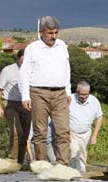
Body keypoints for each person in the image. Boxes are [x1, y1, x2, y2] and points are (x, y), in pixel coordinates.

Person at [19, 16, 71, 165]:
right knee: (40, 132)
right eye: (50, 33)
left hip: (60, 93)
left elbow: (66, 69)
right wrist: (25, 96)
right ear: (40, 32)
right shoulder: (32, 48)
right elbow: (25, 72)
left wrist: (68, 90)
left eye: (56, 33)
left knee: (63, 131)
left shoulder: (62, 46)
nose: (53, 37)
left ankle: (63, 165)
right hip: (38, 93)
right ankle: (41, 164)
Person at [0, 49, 31, 163]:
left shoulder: (33, 70)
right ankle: (12, 158)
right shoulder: (8, 70)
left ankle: (20, 161)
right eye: (22, 61)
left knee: (25, 134)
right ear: (18, 59)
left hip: (27, 104)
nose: (24, 64)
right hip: (11, 103)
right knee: (16, 132)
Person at [68, 81, 103, 173]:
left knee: (82, 155)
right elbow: (61, 116)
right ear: (77, 92)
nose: (84, 97)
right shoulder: (69, 99)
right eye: (82, 94)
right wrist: (67, 131)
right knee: (74, 152)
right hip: (71, 133)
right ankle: (73, 174)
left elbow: (99, 117)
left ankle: (82, 175)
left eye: (86, 94)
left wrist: (94, 136)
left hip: (86, 133)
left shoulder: (94, 101)